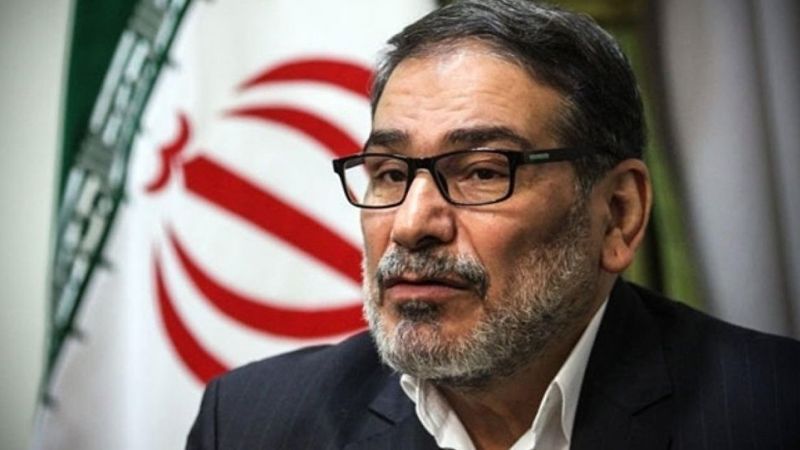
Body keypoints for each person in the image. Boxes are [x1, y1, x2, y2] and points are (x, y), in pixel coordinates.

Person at [186, 1, 800, 448]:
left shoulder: (773, 411)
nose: (411, 225)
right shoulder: (250, 424)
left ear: (618, 214)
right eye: (390, 173)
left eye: (481, 171)